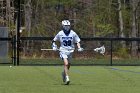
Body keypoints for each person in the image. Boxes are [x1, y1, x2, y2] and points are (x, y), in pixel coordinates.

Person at [52, 20, 83, 85]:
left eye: (68, 26)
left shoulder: (73, 33)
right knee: (66, 64)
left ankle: (64, 74)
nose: (67, 27)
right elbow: (54, 41)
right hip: (63, 51)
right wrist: (54, 46)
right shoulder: (60, 33)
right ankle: (67, 77)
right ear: (63, 26)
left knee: (68, 65)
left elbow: (77, 41)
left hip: (71, 51)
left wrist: (79, 47)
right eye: (65, 26)